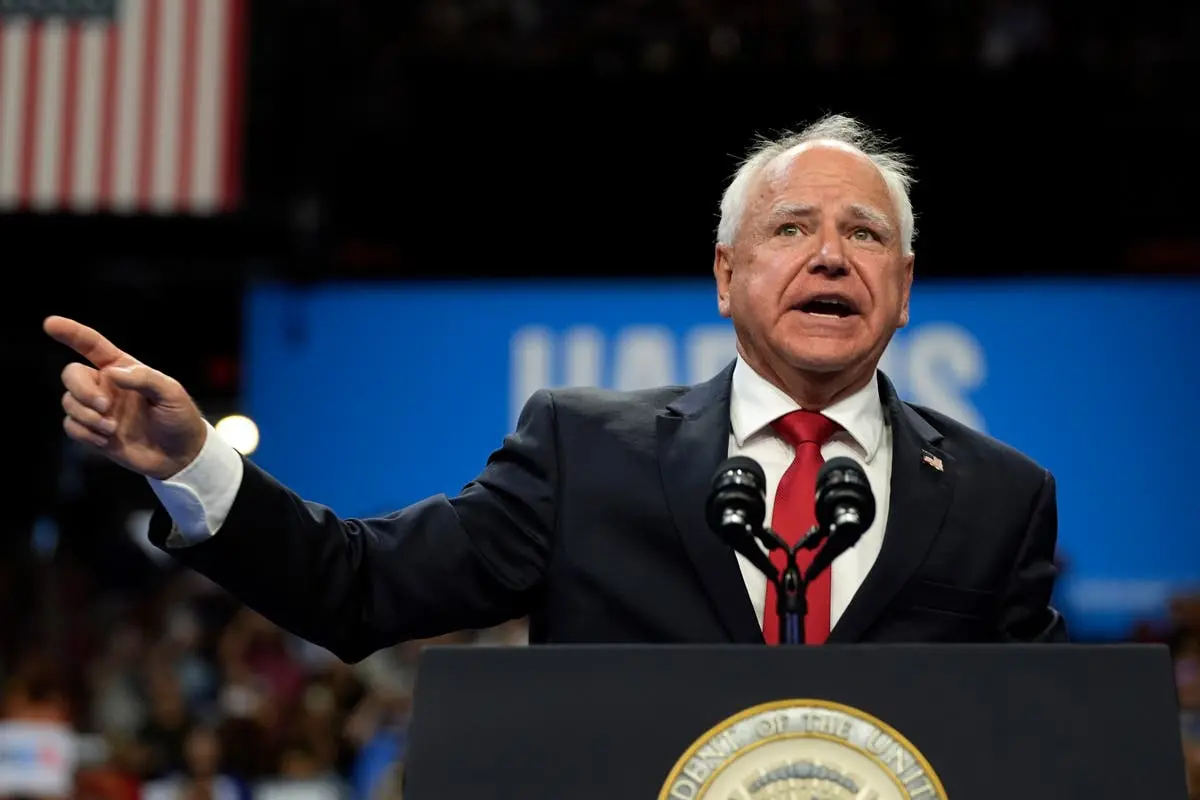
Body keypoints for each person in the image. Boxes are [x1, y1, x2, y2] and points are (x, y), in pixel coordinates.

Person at [45, 114, 1065, 661]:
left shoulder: (996, 494)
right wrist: (192, 462)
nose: (832, 256)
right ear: (725, 274)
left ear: (903, 291)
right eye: (792, 229)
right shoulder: (588, 453)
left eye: (866, 235)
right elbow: (359, 586)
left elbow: (1058, 741)